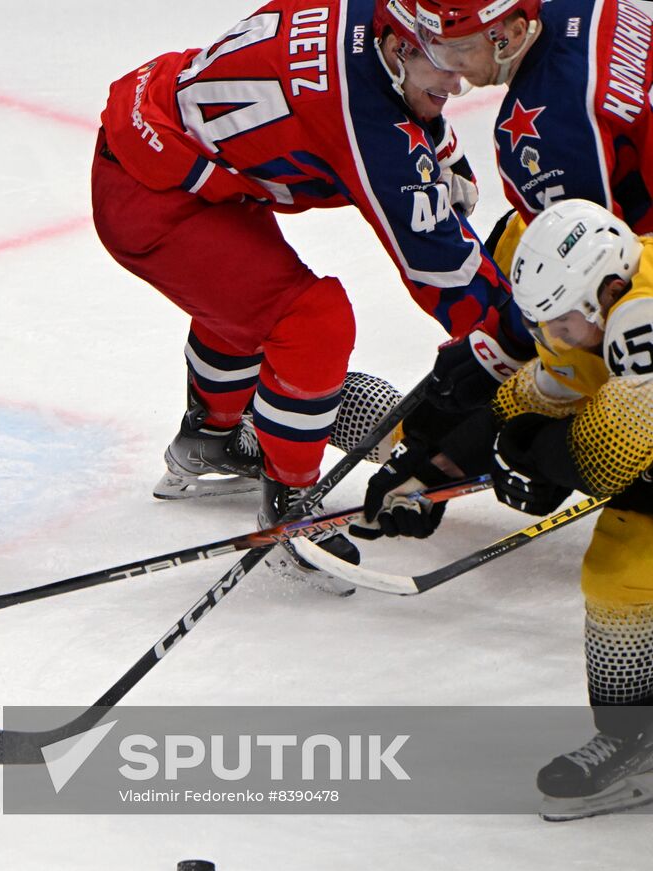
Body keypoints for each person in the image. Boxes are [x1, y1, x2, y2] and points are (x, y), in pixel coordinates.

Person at [92, 0, 530, 592]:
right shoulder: (365, 122)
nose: (458, 79)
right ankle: (289, 508)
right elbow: (443, 271)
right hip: (153, 197)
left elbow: (372, 91)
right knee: (311, 320)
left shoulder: (373, 22)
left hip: (167, 149)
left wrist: (437, 143)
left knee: (248, 304)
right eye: (447, 59)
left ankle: (208, 440)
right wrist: (523, 346)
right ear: (401, 47)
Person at [360, 199, 653, 815]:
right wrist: (433, 466)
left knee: (626, 552)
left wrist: (528, 460)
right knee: (621, 567)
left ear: (610, 288)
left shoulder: (641, 321)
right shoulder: (597, 308)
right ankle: (639, 738)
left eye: (565, 324)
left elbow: (610, 457)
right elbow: (540, 395)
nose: (557, 339)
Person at [412, 0, 653, 232]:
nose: (451, 65)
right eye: (440, 46)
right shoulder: (585, 5)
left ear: (516, 32)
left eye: (463, 48)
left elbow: (597, 257)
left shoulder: (542, 131)